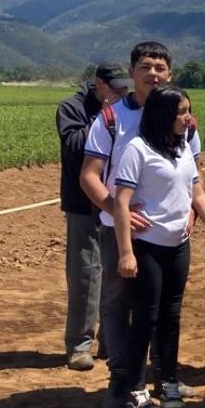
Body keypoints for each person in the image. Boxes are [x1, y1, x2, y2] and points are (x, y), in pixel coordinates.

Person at [81, 41, 200, 408]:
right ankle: (122, 381)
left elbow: (192, 177)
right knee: (118, 305)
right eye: (145, 67)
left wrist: (192, 212)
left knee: (164, 307)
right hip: (120, 229)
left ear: (170, 75)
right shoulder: (111, 119)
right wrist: (119, 212)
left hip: (166, 233)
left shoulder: (185, 123)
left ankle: (164, 378)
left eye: (160, 68)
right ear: (132, 73)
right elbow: (90, 175)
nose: (153, 73)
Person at [111, 86, 205, 408]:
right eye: (181, 112)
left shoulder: (182, 147)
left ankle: (168, 379)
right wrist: (126, 252)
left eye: (188, 111)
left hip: (178, 245)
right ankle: (134, 387)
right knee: (145, 318)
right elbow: (122, 203)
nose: (188, 118)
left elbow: (198, 193)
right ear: (163, 114)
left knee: (171, 315)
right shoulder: (137, 150)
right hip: (148, 246)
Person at [56, 63, 128, 370]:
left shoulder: (125, 107)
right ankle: (79, 345)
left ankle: (111, 341)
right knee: (86, 273)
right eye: (114, 87)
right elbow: (73, 145)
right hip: (84, 204)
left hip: (117, 202)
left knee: (116, 272)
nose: (120, 93)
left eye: (124, 88)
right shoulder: (71, 108)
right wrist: (104, 117)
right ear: (98, 84)